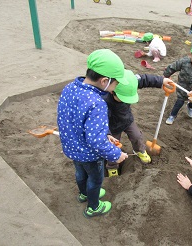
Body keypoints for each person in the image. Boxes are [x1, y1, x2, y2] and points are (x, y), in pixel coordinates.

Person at [57, 49, 129, 218]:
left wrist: (105, 135)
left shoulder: (69, 88)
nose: (115, 87)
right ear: (105, 81)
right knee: (95, 179)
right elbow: (96, 141)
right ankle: (93, 207)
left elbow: (74, 120)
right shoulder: (97, 103)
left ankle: (83, 194)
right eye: (116, 83)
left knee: (80, 173)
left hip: (72, 147)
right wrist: (115, 154)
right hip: (89, 154)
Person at [102, 71, 174, 176]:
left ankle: (140, 151)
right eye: (123, 99)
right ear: (112, 91)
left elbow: (145, 79)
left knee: (137, 136)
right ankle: (112, 166)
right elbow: (102, 121)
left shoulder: (131, 82)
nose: (125, 101)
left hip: (127, 120)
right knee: (113, 147)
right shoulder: (104, 102)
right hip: (112, 127)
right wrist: (108, 134)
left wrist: (161, 81)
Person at [163, 42, 192, 125]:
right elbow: (173, 67)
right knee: (179, 103)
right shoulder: (184, 62)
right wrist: (166, 75)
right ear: (190, 55)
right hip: (182, 88)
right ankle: (172, 115)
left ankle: (190, 107)